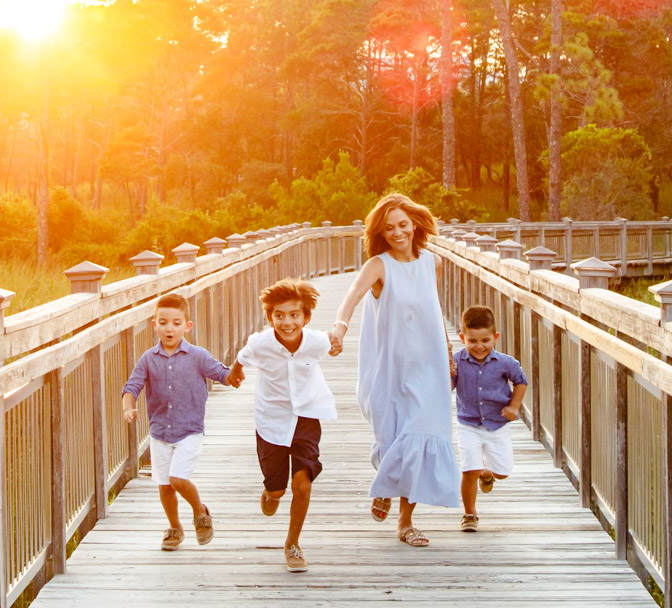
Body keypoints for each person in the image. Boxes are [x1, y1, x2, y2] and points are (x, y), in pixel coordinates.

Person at [329, 193, 461, 547]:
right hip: (390, 368)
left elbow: (432, 312)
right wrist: (340, 327)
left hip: (428, 368)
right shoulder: (378, 265)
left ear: (415, 224)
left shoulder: (432, 262)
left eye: (403, 224)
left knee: (418, 437)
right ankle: (385, 480)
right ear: (381, 233)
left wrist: (448, 354)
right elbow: (352, 295)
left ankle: (405, 522)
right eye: (389, 228)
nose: (398, 232)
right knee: (392, 438)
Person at [228, 278, 338, 573]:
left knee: (302, 484)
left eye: (294, 315)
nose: (287, 322)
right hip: (271, 420)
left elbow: (333, 340)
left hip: (306, 416)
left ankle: (292, 543)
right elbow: (241, 358)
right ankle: (270, 492)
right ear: (270, 317)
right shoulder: (260, 343)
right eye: (279, 315)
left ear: (306, 317)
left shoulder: (316, 342)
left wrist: (337, 338)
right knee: (276, 491)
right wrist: (234, 372)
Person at [122, 291, 241, 551]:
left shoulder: (197, 355)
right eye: (163, 322)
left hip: (189, 430)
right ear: (154, 325)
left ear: (187, 326)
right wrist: (128, 408)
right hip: (159, 431)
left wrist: (234, 375)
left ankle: (200, 512)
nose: (169, 328)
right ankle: (175, 528)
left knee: (177, 478)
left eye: (176, 323)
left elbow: (221, 373)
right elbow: (131, 387)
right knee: (164, 485)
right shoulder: (148, 359)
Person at [451, 304, 527, 532]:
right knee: (469, 470)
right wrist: (448, 373)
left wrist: (514, 406)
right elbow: (447, 387)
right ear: (463, 337)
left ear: (495, 337)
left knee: (502, 472)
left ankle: (488, 473)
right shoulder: (457, 361)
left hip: (497, 425)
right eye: (472, 341)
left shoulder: (506, 362)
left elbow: (521, 381)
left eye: (485, 340)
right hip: (469, 424)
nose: (479, 346)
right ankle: (470, 514)